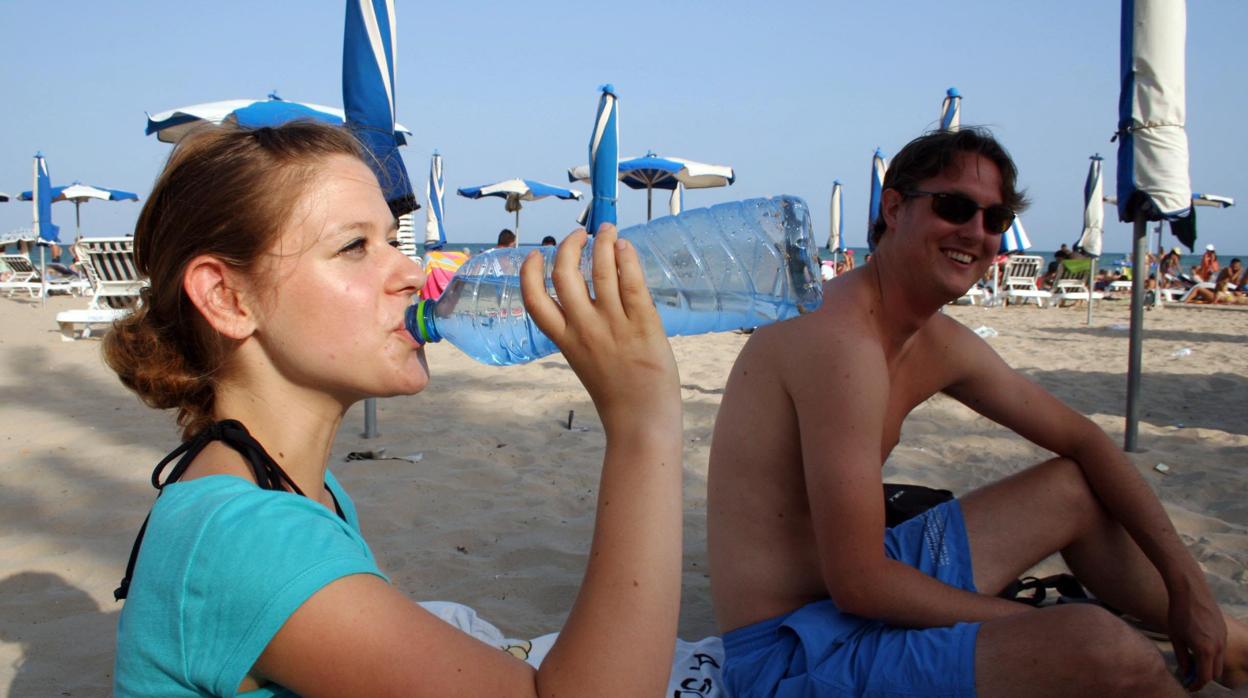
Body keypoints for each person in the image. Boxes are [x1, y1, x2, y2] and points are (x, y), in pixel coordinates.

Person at [105, 121, 684, 697]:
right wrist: (643, 426)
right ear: (227, 298)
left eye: (392, 239)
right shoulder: (247, 540)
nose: (412, 273)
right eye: (354, 246)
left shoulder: (288, 486)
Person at [707, 127, 1248, 697]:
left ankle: (1231, 648)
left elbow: (1085, 441)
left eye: (995, 219)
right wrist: (1042, 629)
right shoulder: (841, 341)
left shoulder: (935, 340)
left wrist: (1191, 589)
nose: (976, 232)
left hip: (853, 585)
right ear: (893, 207)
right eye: (955, 206)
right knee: (1102, 646)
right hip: (792, 652)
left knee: (1074, 488)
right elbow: (861, 585)